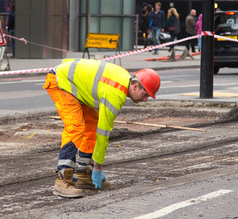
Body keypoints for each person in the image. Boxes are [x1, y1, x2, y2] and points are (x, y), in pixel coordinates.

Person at [43, 59, 160, 198]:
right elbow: (103, 134)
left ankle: (84, 173)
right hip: (61, 82)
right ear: (135, 86)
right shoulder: (115, 95)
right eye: (145, 94)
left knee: (92, 123)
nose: (145, 100)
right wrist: (98, 169)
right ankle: (63, 180)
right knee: (75, 127)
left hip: (72, 83)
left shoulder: (124, 78)